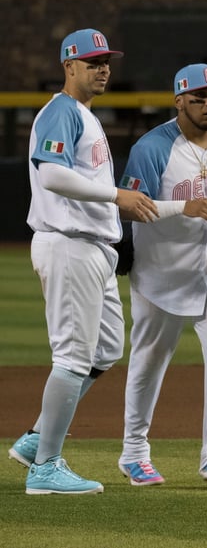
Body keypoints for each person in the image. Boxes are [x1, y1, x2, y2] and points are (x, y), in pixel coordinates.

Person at [8, 28, 158, 495]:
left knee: (106, 349)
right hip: (68, 243)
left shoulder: (84, 115)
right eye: (93, 61)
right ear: (68, 66)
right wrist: (118, 197)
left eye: (106, 60)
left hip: (94, 247)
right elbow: (51, 174)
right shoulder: (60, 111)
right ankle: (46, 468)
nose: (103, 68)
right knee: (73, 357)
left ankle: (36, 441)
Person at [116, 63, 207, 487]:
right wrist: (184, 206)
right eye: (199, 97)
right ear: (179, 100)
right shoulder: (153, 147)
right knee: (149, 361)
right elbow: (128, 204)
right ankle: (134, 453)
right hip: (160, 275)